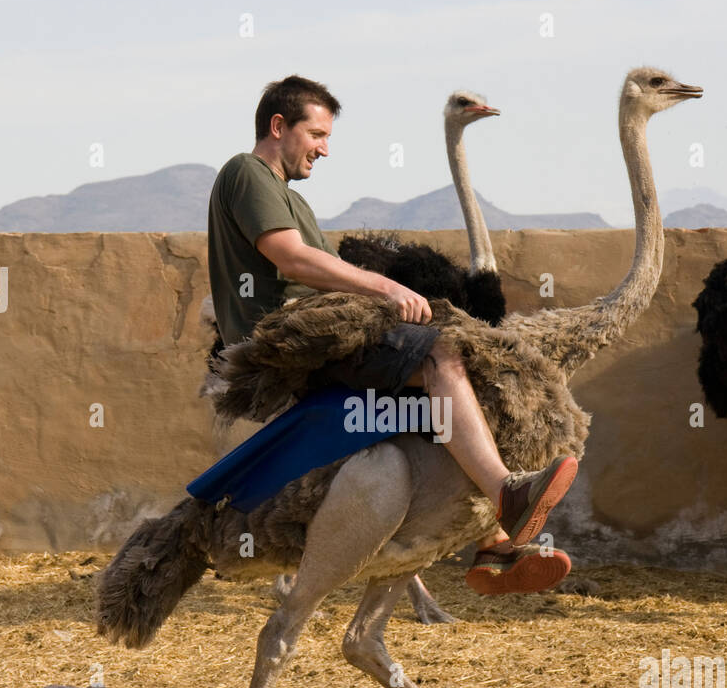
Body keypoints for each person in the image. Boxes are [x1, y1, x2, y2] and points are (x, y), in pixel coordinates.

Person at [207, 75, 574, 593]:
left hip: (316, 330)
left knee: (442, 400)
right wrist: (383, 288)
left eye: (327, 138)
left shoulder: (294, 202)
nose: (324, 149)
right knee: (440, 357)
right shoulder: (247, 173)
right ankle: (508, 495)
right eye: (316, 135)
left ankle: (493, 540)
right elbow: (290, 257)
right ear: (277, 126)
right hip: (289, 338)